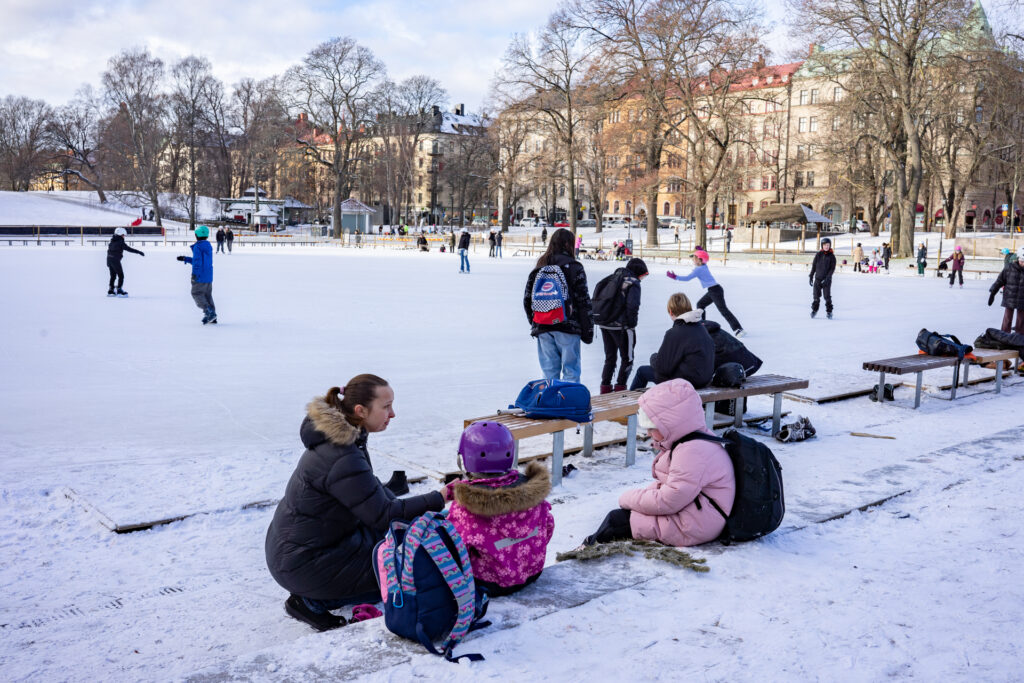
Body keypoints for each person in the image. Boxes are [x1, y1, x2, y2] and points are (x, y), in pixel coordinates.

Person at [265, 376, 445, 631]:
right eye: (386, 406)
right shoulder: (341, 454)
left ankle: (319, 589)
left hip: (305, 548)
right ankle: (309, 601)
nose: (392, 414)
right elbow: (383, 515)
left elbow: (369, 493)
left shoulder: (345, 438)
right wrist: (442, 497)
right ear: (360, 411)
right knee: (401, 572)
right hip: (304, 562)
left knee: (396, 543)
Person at [582, 379, 735, 547]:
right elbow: (672, 488)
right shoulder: (692, 439)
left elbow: (668, 500)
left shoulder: (692, 451)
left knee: (617, 521)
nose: (648, 433)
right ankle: (589, 546)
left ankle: (586, 551)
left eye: (652, 427)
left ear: (671, 424)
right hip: (698, 513)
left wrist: (627, 498)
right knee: (623, 518)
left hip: (695, 524)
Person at [444, 422, 554, 597]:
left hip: (488, 584)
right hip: (532, 573)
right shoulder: (532, 490)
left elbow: (456, 549)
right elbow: (548, 526)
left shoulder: (466, 506)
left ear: (465, 459)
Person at [523, 228, 594, 383]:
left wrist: (537, 320)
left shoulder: (540, 266)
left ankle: (551, 404)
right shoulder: (575, 267)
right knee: (571, 371)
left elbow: (528, 299)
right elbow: (583, 301)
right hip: (568, 325)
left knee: (549, 372)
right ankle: (568, 404)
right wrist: (587, 329)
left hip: (543, 326)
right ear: (568, 244)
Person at [629, 292, 715, 391]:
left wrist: (653, 357)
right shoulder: (701, 328)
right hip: (704, 380)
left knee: (642, 371)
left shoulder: (674, 333)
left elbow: (662, 369)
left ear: (670, 311)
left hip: (688, 382)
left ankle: (630, 403)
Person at [596, 258, 649, 393]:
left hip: (605, 323)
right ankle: (620, 390)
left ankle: (605, 389)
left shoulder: (613, 278)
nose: (642, 279)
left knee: (610, 357)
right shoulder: (633, 282)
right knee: (627, 358)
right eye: (643, 275)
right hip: (622, 327)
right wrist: (631, 325)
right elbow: (633, 306)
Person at [666, 248, 745, 336]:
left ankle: (738, 329)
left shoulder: (699, 269)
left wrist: (675, 277)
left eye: (695, 258)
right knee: (700, 304)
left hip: (715, 291)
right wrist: (702, 251)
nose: (693, 260)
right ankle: (703, 326)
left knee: (723, 310)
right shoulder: (703, 266)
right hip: (713, 290)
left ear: (700, 260)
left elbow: (687, 278)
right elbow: (704, 258)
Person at [175, 225, 217, 324]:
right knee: (207, 295)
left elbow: (197, 262)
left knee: (196, 293)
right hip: (208, 275)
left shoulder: (198, 246)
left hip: (200, 276)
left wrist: (195, 275)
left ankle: (208, 312)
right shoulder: (207, 245)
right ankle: (212, 316)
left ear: (196, 235)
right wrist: (185, 258)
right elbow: (200, 260)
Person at [989, 248, 1024, 334]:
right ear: (1018, 258)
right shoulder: (1009, 268)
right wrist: (993, 292)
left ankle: (1019, 337)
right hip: (1009, 298)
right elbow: (1000, 280)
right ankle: (1004, 335)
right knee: (1007, 318)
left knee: (1021, 320)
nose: (1023, 263)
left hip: (1023, 299)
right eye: (1022, 261)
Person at [105, 227, 144, 296]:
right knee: (121, 275)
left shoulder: (112, 240)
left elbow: (109, 251)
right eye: (123, 235)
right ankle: (119, 290)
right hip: (115, 260)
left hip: (109, 259)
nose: (124, 236)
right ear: (120, 234)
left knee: (113, 275)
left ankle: (111, 290)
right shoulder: (120, 242)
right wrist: (138, 252)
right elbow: (129, 249)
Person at [809, 237, 836, 319]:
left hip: (827, 280)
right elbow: (814, 266)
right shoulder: (818, 255)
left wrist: (828, 278)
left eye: (828, 245)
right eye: (825, 245)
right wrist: (811, 276)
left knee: (827, 297)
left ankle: (829, 312)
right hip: (818, 279)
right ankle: (814, 310)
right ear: (822, 246)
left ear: (830, 245)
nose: (826, 246)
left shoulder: (832, 256)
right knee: (816, 296)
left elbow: (832, 269)